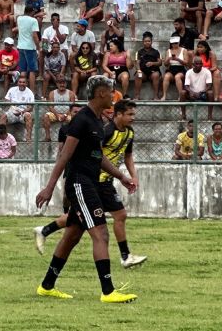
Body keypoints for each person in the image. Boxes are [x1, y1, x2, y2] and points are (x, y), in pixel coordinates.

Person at [33, 75, 139, 304]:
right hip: (80, 183)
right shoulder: (81, 120)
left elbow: (98, 157)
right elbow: (65, 155)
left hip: (90, 182)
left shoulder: (98, 121)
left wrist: (122, 176)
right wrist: (50, 187)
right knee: (100, 233)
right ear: (101, 93)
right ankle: (108, 291)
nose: (114, 96)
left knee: (72, 234)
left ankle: (47, 286)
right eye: (111, 92)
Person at [35, 97, 148, 269]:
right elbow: (93, 153)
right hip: (96, 181)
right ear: (118, 114)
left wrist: (133, 176)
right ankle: (125, 257)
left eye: (134, 114)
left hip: (105, 180)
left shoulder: (129, 132)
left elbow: (128, 156)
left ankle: (44, 231)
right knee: (118, 216)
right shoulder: (106, 131)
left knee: (77, 221)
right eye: (129, 114)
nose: (133, 117)